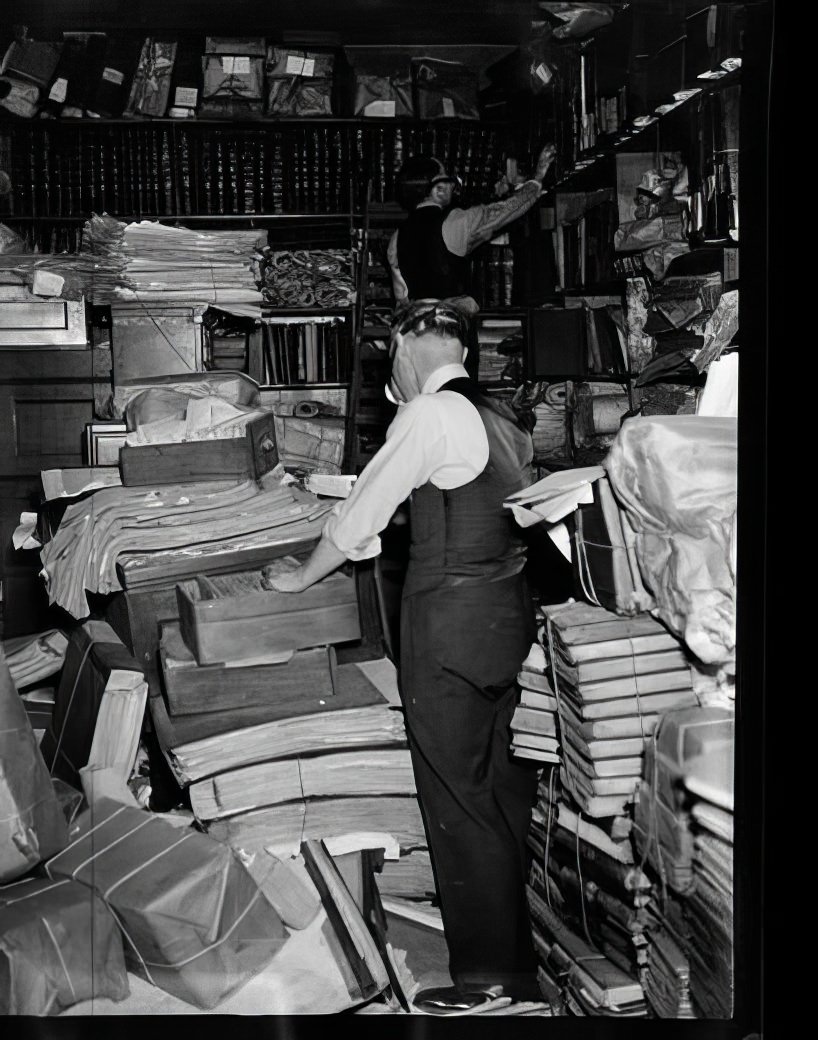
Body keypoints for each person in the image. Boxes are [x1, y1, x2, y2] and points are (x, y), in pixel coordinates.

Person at [267, 298, 542, 1012]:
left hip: (447, 626)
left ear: (405, 347)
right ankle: (521, 955)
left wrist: (300, 575)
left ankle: (490, 980)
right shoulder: (502, 415)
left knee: (457, 796)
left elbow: (364, 509)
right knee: (503, 790)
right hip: (506, 623)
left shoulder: (428, 414)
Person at [387, 143, 557, 378]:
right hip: (452, 341)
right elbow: (506, 210)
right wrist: (537, 179)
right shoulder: (456, 222)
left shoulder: (396, 238)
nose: (452, 185)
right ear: (436, 190)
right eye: (446, 180)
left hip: (413, 343)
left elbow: (402, 300)